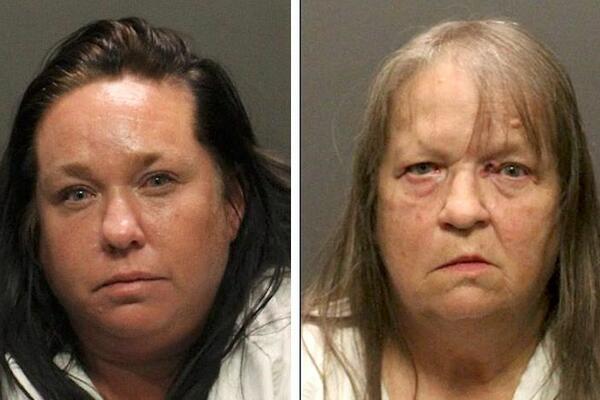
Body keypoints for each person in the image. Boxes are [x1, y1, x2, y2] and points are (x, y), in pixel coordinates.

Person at [302, 19, 600, 400]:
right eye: (423, 169)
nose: (463, 211)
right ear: (371, 207)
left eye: (510, 170)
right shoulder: (297, 372)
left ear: (567, 202)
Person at [0, 17, 290, 400]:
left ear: (233, 204)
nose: (119, 230)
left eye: (157, 181)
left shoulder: (304, 362)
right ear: (33, 229)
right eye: (77, 194)